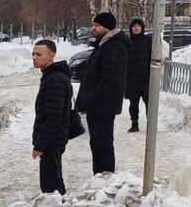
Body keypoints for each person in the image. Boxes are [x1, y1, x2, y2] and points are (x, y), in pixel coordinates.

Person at [77, 11, 129, 175]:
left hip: (103, 105)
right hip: (98, 104)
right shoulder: (104, 44)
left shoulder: (114, 47)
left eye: (97, 26)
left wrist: (89, 99)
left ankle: (105, 177)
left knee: (103, 143)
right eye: (93, 25)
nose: (93, 29)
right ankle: (99, 176)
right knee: (97, 143)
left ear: (107, 27)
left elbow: (108, 80)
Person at [31, 40, 73, 195]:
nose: (35, 57)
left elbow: (53, 117)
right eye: (33, 54)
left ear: (52, 55)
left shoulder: (55, 79)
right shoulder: (50, 76)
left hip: (52, 139)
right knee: (52, 179)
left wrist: (41, 144)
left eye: (39, 54)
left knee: (51, 185)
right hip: (52, 138)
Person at [126, 17, 152, 133]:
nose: (136, 28)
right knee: (133, 103)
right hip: (132, 79)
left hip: (146, 78)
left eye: (138, 26)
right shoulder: (127, 42)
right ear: (131, 29)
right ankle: (134, 124)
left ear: (142, 28)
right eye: (134, 26)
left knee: (149, 102)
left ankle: (151, 124)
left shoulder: (148, 40)